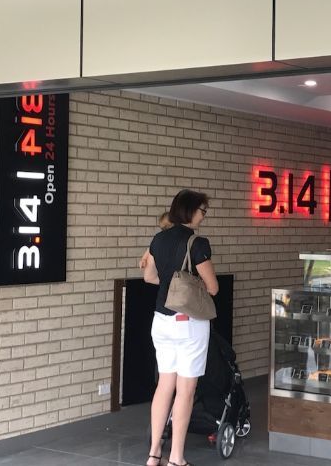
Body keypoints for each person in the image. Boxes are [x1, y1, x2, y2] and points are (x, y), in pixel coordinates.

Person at [142, 190, 219, 466]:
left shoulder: (158, 239)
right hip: (188, 323)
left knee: (164, 385)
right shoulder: (198, 243)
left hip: (160, 321)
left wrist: (169, 284)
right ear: (189, 211)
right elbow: (212, 287)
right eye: (202, 210)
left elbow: (149, 276)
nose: (203, 215)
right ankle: (176, 458)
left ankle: (154, 454)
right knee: (185, 391)